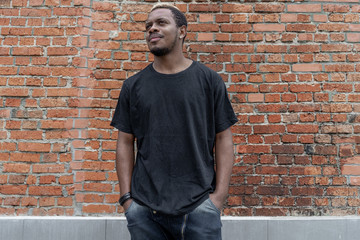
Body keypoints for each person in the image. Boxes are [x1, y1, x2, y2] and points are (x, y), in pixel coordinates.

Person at [110, 3, 237, 240]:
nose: (152, 29)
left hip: (200, 208)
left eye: (161, 23)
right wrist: (128, 201)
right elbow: (125, 142)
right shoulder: (133, 86)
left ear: (182, 31)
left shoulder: (209, 81)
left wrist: (218, 198)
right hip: (145, 210)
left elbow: (224, 139)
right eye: (148, 26)